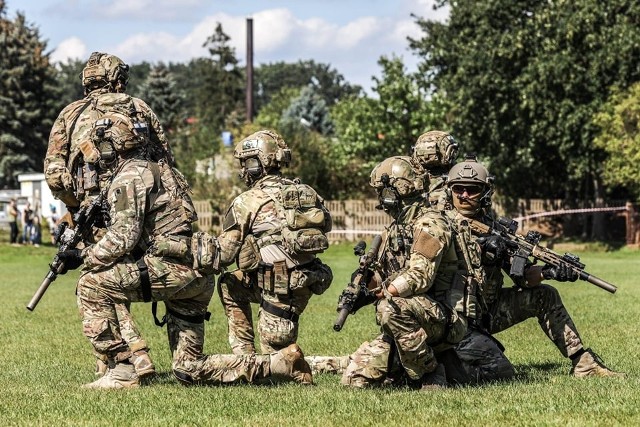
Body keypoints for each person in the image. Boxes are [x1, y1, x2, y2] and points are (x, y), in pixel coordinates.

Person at [57, 120, 313, 389]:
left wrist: (81, 257)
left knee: (90, 286)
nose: (100, 154)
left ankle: (121, 370)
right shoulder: (165, 171)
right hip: (195, 277)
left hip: (167, 270)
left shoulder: (127, 177)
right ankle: (279, 363)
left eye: (104, 146)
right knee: (189, 368)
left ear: (114, 146)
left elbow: (124, 238)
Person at [43, 52, 170, 378]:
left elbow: (55, 174)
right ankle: (124, 359)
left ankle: (131, 356)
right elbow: (166, 162)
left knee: (96, 281)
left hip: (96, 215)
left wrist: (76, 207)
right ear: (119, 78)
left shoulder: (70, 115)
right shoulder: (139, 108)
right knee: (127, 278)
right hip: (144, 213)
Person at [444, 156, 623, 379]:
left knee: (545, 295)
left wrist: (550, 272)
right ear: (449, 190)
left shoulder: (495, 229)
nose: (464, 195)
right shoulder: (439, 223)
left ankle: (583, 364)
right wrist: (479, 249)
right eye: (458, 188)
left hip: (486, 311)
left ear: (486, 192)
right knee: (500, 373)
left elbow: (522, 277)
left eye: (472, 189)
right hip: (452, 319)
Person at [338, 156, 483, 389]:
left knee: (389, 307)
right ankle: (404, 369)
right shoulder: (396, 228)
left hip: (445, 317)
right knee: (354, 380)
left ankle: (430, 372)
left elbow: (419, 276)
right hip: (412, 318)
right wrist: (362, 288)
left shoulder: (431, 224)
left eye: (382, 191)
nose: (380, 198)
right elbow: (384, 275)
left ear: (398, 190)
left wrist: (379, 294)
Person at [216, 130, 334, 355]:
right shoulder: (307, 194)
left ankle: (345, 364)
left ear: (256, 163)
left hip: (277, 283)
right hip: (308, 279)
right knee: (230, 283)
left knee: (278, 359)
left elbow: (225, 253)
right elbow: (326, 227)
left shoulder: (247, 200)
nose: (243, 171)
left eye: (246, 163)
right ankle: (244, 356)